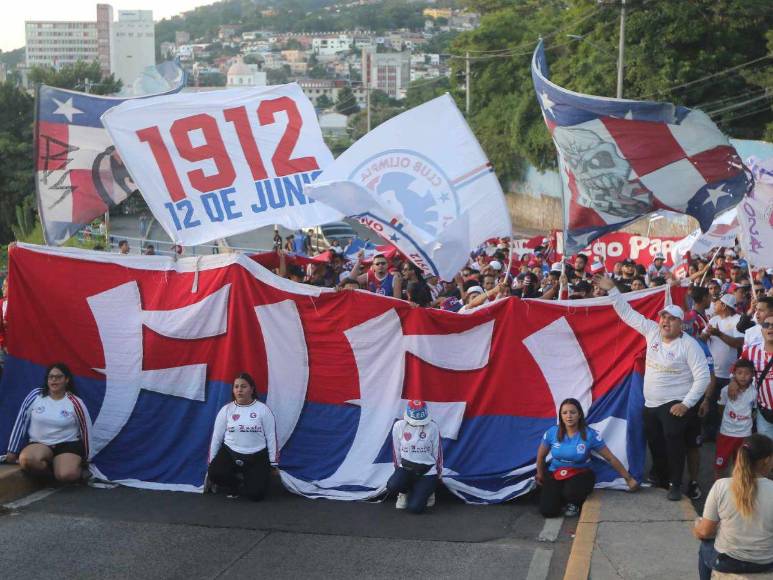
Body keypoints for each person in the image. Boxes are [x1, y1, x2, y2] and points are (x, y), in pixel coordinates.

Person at [595, 275, 710, 500]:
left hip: (674, 406)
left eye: (671, 318)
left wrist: (686, 404)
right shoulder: (652, 332)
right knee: (656, 445)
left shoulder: (689, 345)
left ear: (681, 323)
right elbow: (628, 314)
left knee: (674, 446)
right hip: (651, 405)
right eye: (663, 317)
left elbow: (703, 377)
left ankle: (676, 484)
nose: (665, 321)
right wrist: (612, 291)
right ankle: (663, 480)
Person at [536, 398, 639, 518]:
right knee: (548, 511)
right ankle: (558, 497)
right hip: (555, 471)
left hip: (580, 473)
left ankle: (574, 503)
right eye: (565, 413)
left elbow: (610, 458)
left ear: (579, 414)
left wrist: (629, 479)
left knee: (570, 492)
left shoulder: (590, 435)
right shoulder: (552, 432)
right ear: (561, 416)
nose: (569, 416)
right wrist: (540, 474)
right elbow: (541, 456)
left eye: (572, 412)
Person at [694, 434, 773, 579]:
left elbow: (703, 532)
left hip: (727, 562)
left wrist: (698, 526)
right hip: (765, 563)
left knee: (705, 545)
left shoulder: (722, 486)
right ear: (767, 460)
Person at [5, 363, 92, 483]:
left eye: (58, 377)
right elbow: (21, 421)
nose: (54, 380)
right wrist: (12, 450)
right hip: (40, 444)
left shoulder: (75, 402)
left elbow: (86, 430)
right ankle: (51, 473)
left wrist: (88, 458)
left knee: (66, 475)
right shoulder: (36, 395)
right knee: (27, 460)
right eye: (50, 377)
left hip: (67, 445)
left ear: (66, 380)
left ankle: (71, 469)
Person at [207, 373, 278, 500]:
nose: (239, 390)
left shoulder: (263, 410)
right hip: (230, 452)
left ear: (252, 389)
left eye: (243, 386)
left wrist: (273, 462)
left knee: (256, 495)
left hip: (257, 455)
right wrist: (212, 462)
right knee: (215, 473)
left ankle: (251, 479)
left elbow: (271, 436)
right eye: (236, 387)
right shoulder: (226, 410)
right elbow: (217, 438)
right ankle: (235, 483)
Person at [386, 400, 442, 514]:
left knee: (415, 508)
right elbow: (396, 451)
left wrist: (438, 474)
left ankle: (428, 492)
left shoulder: (433, 427)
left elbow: (438, 453)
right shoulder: (398, 426)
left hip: (427, 471)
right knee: (392, 485)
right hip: (406, 468)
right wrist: (398, 472)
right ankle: (404, 492)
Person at [715, 359, 756, 479]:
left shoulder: (754, 392)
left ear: (752, 374)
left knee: (740, 464)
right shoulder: (725, 390)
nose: (743, 376)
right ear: (734, 374)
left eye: (747, 373)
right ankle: (718, 487)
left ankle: (737, 487)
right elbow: (720, 407)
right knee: (720, 464)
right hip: (726, 433)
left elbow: (754, 410)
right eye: (740, 373)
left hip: (744, 434)